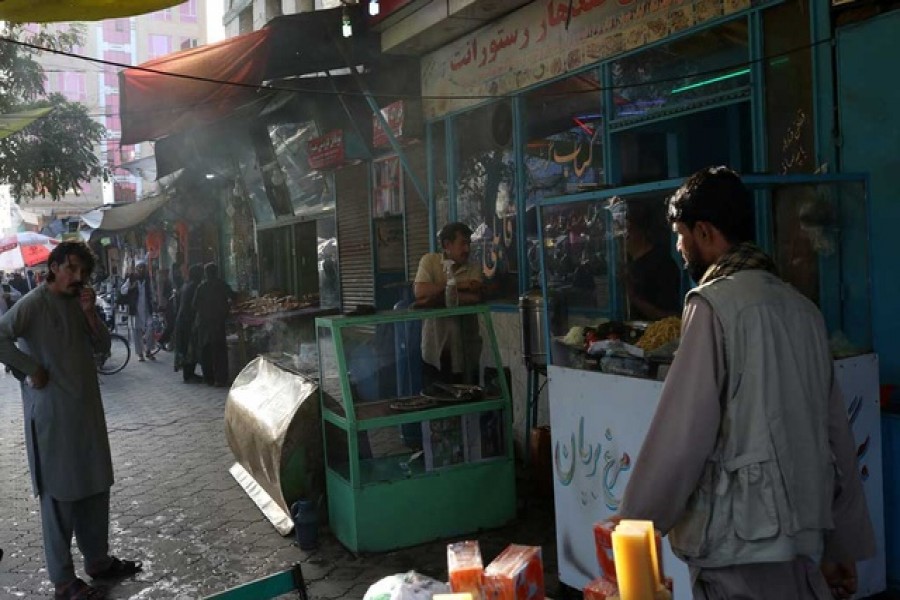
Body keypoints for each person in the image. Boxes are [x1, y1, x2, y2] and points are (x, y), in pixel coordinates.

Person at [617, 167, 874, 599]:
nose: (678, 247)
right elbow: (837, 436)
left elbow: (684, 432)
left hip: (739, 537)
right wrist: (841, 543)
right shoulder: (804, 310)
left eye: (681, 235)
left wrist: (636, 522)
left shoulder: (713, 304)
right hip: (800, 535)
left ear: (705, 231)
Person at [0, 241, 142, 600]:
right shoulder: (32, 304)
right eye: (71, 269)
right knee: (60, 496)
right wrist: (30, 368)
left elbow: (104, 348)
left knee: (95, 487)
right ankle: (63, 581)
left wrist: (91, 314)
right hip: (52, 417)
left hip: (87, 414)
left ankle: (98, 562)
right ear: (54, 266)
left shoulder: (81, 303)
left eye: (83, 272)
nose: (78, 278)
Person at [414, 222, 484, 389]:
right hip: (434, 351)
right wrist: (460, 286)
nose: (467, 249)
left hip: (465, 353)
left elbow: (474, 298)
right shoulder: (429, 261)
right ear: (447, 245)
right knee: (436, 404)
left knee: (465, 402)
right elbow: (420, 291)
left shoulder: (473, 267)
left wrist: (436, 296)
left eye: (469, 244)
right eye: (462, 244)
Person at [623, 200, 682, 320]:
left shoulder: (663, 265)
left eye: (626, 229)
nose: (622, 235)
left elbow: (671, 317)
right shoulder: (627, 261)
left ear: (638, 231)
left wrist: (634, 298)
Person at [192, 262, 235, 387]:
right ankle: (220, 378)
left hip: (204, 323)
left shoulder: (201, 287)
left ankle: (209, 378)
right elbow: (232, 296)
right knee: (219, 350)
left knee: (206, 350)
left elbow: (194, 305)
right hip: (217, 322)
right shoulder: (221, 284)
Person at [120, 260, 155, 362]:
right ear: (136, 269)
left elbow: (151, 292)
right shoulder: (131, 279)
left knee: (151, 328)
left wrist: (155, 303)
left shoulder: (148, 279)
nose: (141, 269)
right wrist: (131, 287)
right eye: (139, 267)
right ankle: (140, 354)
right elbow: (123, 290)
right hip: (135, 310)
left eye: (143, 267)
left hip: (147, 309)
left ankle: (148, 350)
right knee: (136, 332)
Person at [174, 264, 204, 383]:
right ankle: (188, 374)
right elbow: (195, 305)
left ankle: (189, 373)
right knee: (189, 347)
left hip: (182, 320)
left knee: (186, 347)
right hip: (187, 321)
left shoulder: (186, 285)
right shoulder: (194, 287)